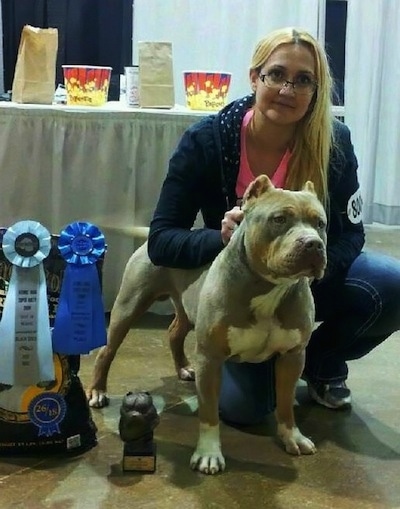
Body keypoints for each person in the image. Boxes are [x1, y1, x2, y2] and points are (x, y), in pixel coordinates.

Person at [147, 27, 400, 423]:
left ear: (316, 90)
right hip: (236, 298)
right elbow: (161, 241)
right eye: (276, 75)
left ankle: (319, 359)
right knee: (247, 412)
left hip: (303, 290)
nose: (288, 88)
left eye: (303, 80)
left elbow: (352, 233)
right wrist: (223, 237)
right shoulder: (205, 141)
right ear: (254, 77)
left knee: (391, 283)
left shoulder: (334, 144)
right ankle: (265, 364)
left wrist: (310, 268)